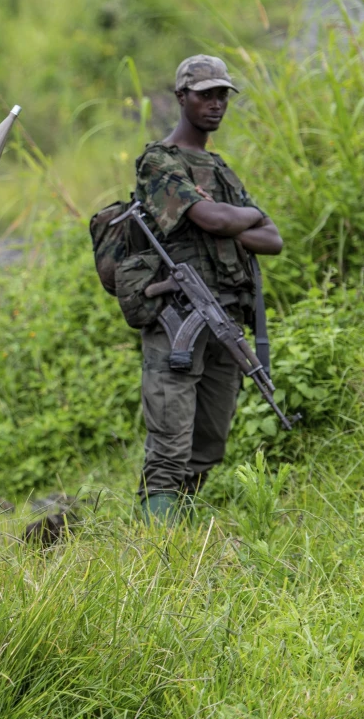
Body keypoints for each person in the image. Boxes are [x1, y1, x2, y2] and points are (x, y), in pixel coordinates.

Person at [133, 55, 284, 523]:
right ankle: (153, 547)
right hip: (177, 315)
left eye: (222, 95)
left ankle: (184, 533)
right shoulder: (159, 162)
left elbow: (273, 238)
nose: (216, 104)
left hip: (226, 319)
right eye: (205, 94)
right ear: (182, 97)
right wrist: (235, 220)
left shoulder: (218, 169)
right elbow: (212, 218)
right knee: (170, 442)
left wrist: (228, 223)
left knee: (209, 442)